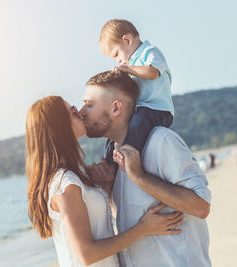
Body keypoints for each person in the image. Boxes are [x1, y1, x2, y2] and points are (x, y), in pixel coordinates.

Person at [25, 96, 183, 267]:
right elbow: (87, 254)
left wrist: (105, 189)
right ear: (59, 126)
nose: (79, 112)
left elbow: (98, 228)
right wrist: (143, 228)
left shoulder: (73, 176)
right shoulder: (65, 182)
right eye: (72, 111)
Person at [79, 71, 212, 266]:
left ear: (116, 108)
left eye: (89, 105)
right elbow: (130, 213)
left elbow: (201, 207)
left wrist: (139, 176)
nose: (81, 112)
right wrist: (107, 192)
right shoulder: (112, 157)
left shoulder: (161, 141)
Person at [99, 19, 174, 163]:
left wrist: (127, 69)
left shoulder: (150, 51)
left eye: (116, 54)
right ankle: (108, 163)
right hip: (141, 110)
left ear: (127, 40)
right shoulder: (131, 64)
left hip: (157, 110)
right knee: (114, 130)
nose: (118, 61)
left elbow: (152, 71)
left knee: (138, 123)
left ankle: (126, 160)